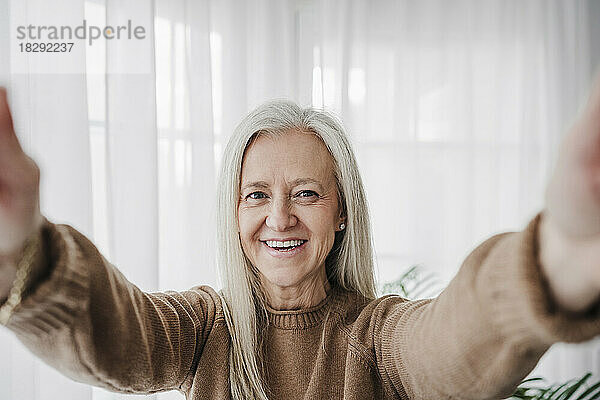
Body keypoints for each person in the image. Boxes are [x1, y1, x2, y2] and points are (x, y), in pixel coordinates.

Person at [0, 78, 599, 400]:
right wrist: (24, 254)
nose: (279, 218)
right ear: (234, 214)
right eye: (256, 194)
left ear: (342, 213)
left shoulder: (376, 338)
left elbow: (450, 342)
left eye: (307, 194)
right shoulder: (207, 327)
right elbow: (117, 335)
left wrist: (557, 260)